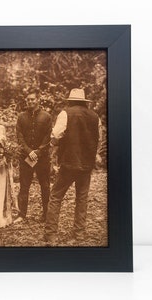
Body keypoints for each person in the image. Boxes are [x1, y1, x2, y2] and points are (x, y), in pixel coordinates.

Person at [44, 88, 100, 244]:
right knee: (82, 198)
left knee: (56, 196)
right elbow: (99, 138)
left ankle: (51, 236)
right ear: (83, 101)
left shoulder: (65, 114)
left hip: (69, 163)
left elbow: (55, 135)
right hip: (87, 164)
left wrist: (55, 145)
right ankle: (79, 234)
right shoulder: (95, 117)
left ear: (70, 100)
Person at [14, 88, 52, 223]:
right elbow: (19, 136)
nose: (30, 101)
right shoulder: (21, 116)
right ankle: (21, 215)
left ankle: (47, 214)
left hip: (42, 158)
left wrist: (38, 151)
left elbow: (49, 136)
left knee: (45, 186)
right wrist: (29, 151)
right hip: (26, 158)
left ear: (38, 100)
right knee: (24, 186)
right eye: (28, 99)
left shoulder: (46, 116)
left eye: (32, 99)